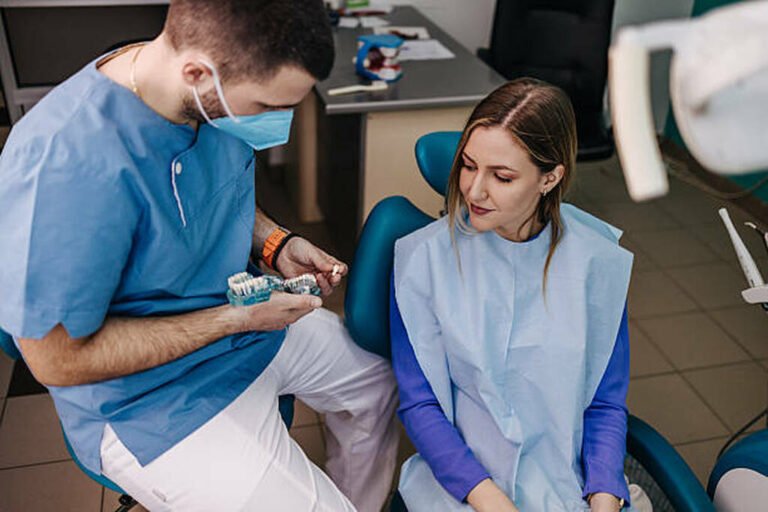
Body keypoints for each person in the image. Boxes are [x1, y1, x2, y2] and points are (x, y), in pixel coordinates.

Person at [0, 1, 398, 510]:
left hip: (244, 328)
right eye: (265, 106)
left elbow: (212, 191)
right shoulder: (64, 165)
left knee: (376, 383)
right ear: (196, 73)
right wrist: (236, 319)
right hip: (148, 402)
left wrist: (276, 243)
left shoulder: (200, 98)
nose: (276, 121)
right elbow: (56, 360)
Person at [390, 78, 635, 512]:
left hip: (565, 484)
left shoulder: (597, 262)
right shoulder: (421, 260)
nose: (474, 190)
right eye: (468, 166)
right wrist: (491, 501)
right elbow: (420, 404)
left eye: (502, 177)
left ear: (550, 178)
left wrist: (604, 496)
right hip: (465, 487)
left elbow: (604, 403)